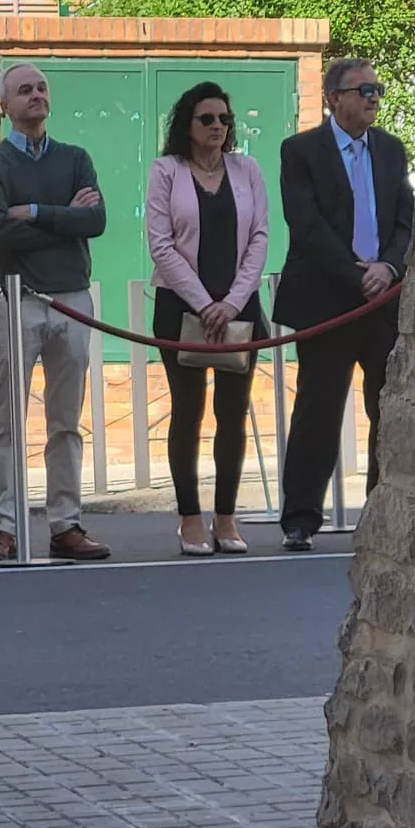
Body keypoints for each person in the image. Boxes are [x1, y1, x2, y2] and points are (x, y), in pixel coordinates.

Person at [0, 62, 111, 563]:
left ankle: (65, 524)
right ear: (4, 105)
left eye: (42, 88)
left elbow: (95, 221)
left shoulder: (76, 158)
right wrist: (64, 216)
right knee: (7, 419)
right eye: (24, 90)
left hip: (72, 298)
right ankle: (2, 527)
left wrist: (33, 211)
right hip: (15, 299)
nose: (36, 96)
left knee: (66, 420)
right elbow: (0, 234)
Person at [272, 58, 414, 552]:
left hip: (385, 300)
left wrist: (389, 268)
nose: (374, 99)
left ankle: (382, 513)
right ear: (335, 98)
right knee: (318, 407)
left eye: (378, 90)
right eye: (364, 90)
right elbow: (306, 226)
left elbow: (405, 223)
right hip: (327, 300)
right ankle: (300, 518)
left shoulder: (392, 151)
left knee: (389, 407)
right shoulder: (301, 151)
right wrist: (358, 274)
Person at [145, 83, 271, 556]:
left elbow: (260, 237)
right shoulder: (166, 171)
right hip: (181, 307)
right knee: (188, 410)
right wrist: (204, 304)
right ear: (188, 125)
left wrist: (232, 303)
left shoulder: (247, 170)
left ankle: (226, 516)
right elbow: (161, 244)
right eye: (207, 119)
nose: (217, 127)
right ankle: (189, 518)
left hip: (239, 310)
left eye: (224, 119)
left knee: (232, 413)